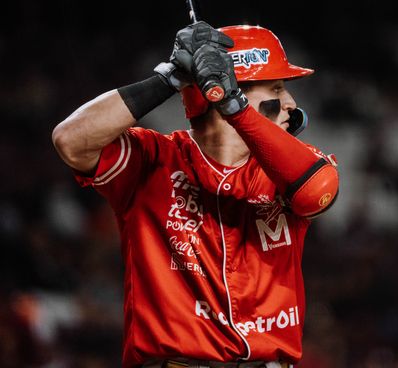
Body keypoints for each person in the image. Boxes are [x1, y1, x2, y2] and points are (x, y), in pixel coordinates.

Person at [52, 22, 339, 368]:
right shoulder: (153, 158)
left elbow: (316, 193)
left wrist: (235, 108)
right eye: (276, 88)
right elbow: (70, 140)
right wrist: (170, 78)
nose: (291, 103)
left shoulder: (289, 167)